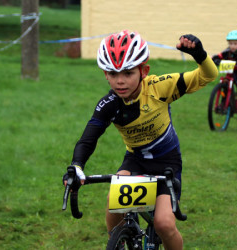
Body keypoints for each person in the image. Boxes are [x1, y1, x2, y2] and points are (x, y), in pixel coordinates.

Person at [63, 30, 218, 249]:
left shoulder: (160, 87)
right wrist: (77, 165)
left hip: (167, 162)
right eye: (113, 73)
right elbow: (89, 138)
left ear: (144, 71)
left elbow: (209, 76)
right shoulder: (109, 103)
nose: (120, 81)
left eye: (127, 73)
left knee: (164, 224)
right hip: (135, 160)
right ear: (105, 74)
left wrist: (200, 54)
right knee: (112, 202)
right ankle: (117, 241)